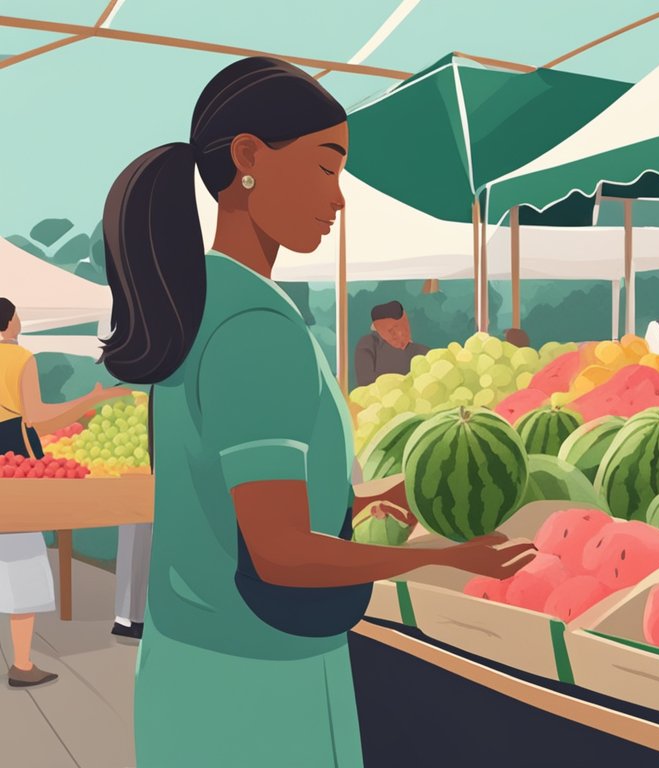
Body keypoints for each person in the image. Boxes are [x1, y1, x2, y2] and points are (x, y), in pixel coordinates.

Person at [101, 57, 534, 767]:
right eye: (326, 168)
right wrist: (445, 557)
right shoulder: (255, 329)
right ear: (248, 158)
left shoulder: (201, 301)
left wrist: (363, 500)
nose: (338, 200)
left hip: (197, 671)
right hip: (258, 692)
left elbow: (228, 511)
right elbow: (279, 554)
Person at [0, 298, 130, 687]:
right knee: (20, 555)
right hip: (11, 456)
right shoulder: (20, 358)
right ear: (8, 323)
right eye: (17, 314)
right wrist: (90, 400)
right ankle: (22, 664)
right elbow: (38, 419)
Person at [354, 301, 428, 387]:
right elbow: (365, 382)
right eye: (391, 330)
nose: (400, 333)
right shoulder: (368, 344)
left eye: (403, 326)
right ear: (378, 328)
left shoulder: (418, 350)